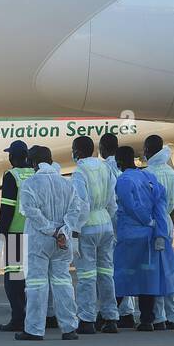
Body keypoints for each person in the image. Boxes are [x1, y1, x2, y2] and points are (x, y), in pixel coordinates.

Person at [112, 146, 174, 331]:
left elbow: (130, 206)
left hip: (131, 237)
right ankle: (148, 319)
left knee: (123, 274)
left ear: (119, 162)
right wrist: (159, 231)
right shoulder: (148, 177)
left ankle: (109, 315)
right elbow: (160, 205)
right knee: (146, 277)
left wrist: (146, 220)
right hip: (149, 237)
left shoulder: (123, 180)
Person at [13, 146, 83, 341]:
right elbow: (76, 209)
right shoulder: (67, 183)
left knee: (36, 283)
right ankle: (69, 328)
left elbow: (31, 211)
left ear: (33, 163)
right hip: (62, 241)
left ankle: (34, 329)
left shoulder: (30, 184)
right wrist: (63, 231)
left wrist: (51, 230)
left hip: (39, 240)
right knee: (63, 282)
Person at [70, 135, 120, 334]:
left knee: (87, 276)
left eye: (74, 149)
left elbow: (81, 205)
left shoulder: (79, 172)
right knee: (107, 273)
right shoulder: (105, 168)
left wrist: (75, 230)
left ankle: (87, 319)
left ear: (79, 152)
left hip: (88, 226)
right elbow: (112, 201)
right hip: (105, 224)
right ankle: (111, 317)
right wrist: (112, 226)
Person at [144, 135, 174, 329]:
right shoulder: (171, 172)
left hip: (153, 224)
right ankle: (173, 317)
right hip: (167, 222)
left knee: (154, 271)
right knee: (169, 269)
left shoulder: (149, 173)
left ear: (149, 151)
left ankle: (158, 318)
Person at [100, 132, 137, 328]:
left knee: (110, 271)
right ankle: (128, 313)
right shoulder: (126, 169)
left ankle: (110, 311)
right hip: (129, 224)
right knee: (126, 270)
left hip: (110, 224)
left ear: (103, 149)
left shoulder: (104, 168)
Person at [0, 139, 34, 332]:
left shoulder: (11, 175)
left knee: (14, 279)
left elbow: (7, 208)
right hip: (36, 233)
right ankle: (38, 317)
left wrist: (0, 235)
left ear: (11, 157)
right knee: (35, 278)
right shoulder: (35, 173)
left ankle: (18, 318)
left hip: (16, 233)